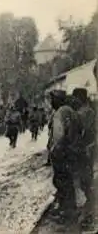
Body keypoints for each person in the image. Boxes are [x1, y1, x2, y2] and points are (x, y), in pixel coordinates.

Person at [47, 90, 81, 223]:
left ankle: (68, 213)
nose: (51, 102)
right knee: (67, 181)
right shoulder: (71, 111)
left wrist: (54, 150)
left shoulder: (60, 113)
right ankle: (66, 209)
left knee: (62, 182)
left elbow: (59, 135)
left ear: (58, 100)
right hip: (71, 150)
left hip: (62, 152)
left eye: (52, 99)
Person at [71, 88, 96, 228]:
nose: (73, 101)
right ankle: (89, 209)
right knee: (86, 179)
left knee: (85, 180)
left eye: (75, 98)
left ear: (79, 98)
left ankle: (90, 213)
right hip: (88, 149)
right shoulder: (89, 111)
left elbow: (82, 133)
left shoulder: (83, 113)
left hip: (84, 150)